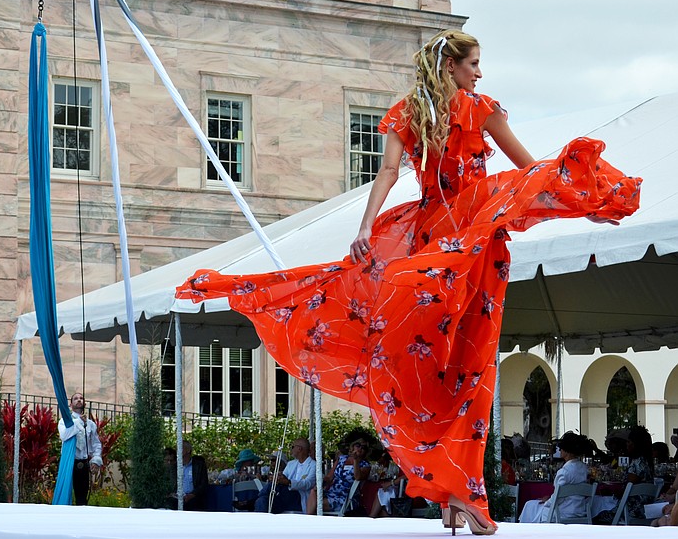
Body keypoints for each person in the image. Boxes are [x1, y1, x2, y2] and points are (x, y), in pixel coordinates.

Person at [176, 29, 641, 535]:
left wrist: (579, 206)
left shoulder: (450, 110)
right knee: (451, 367)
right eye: (474, 64)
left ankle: (454, 493)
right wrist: (362, 228)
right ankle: (455, 490)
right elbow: (510, 172)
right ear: (450, 66)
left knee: (455, 370)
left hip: (456, 242)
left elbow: (510, 173)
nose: (479, 73)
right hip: (453, 240)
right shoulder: (438, 112)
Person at [518, 431, 591, 523]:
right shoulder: (584, 469)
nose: (559, 450)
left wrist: (547, 501)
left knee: (530, 505)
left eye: (561, 449)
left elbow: (558, 498)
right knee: (533, 505)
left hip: (563, 511)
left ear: (567, 451)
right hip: (579, 510)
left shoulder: (564, 472)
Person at [594, 425, 655, 524]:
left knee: (597, 517)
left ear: (635, 444)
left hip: (632, 510)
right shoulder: (647, 462)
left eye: (629, 442)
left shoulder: (637, 464)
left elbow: (627, 488)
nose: (627, 444)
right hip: (645, 508)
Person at [57, 392, 103, 505]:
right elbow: (64, 435)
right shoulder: (64, 421)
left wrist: (96, 460)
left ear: (85, 403)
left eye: (81, 398)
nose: (79, 400)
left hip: (83, 463)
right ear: (70, 404)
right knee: (65, 494)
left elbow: (96, 444)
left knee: (82, 497)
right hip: (68, 462)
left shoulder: (91, 424)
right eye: (75, 399)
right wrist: (78, 422)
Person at [306, 437, 371, 515]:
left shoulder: (365, 465)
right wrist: (320, 485)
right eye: (358, 445)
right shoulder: (342, 459)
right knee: (313, 492)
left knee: (317, 504)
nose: (360, 448)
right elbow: (329, 477)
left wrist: (356, 461)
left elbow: (357, 477)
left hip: (346, 497)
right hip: (332, 492)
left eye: (363, 448)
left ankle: (309, 520)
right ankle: (310, 518)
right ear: (353, 446)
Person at [255, 438, 315, 513]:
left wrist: (289, 482)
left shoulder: (314, 465)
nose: (291, 449)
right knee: (262, 500)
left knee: (268, 490)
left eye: (292, 447)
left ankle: (252, 500)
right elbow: (283, 476)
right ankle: (261, 522)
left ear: (299, 449)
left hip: (299, 497)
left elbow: (307, 484)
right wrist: (277, 478)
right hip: (284, 497)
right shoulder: (291, 464)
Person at [167, 440, 209, 510]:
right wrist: (171, 493)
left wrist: (192, 495)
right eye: (177, 448)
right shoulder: (174, 467)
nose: (178, 450)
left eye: (180, 448)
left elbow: (203, 484)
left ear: (188, 450)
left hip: (193, 497)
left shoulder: (199, 466)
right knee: (170, 503)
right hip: (176, 498)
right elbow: (168, 482)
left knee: (194, 504)